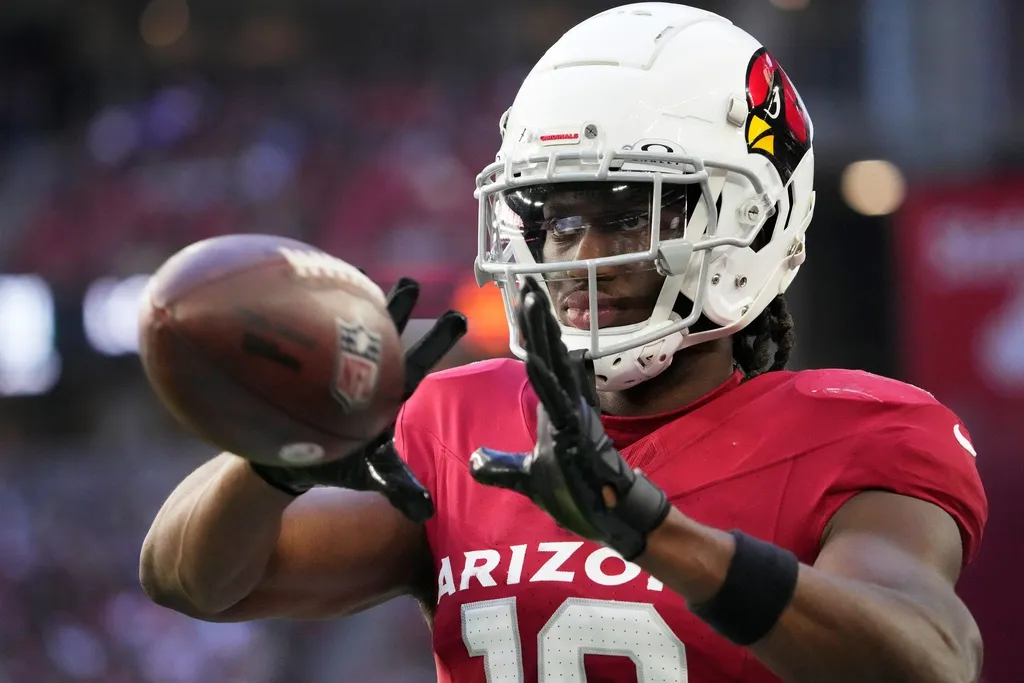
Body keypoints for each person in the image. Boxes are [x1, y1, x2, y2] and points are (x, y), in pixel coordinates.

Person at [139, 4, 988, 683]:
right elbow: (192, 581)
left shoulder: (863, 431)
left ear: (750, 221)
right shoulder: (459, 420)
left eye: (629, 213)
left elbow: (932, 659)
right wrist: (278, 458)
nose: (583, 257)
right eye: (560, 219)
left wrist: (657, 535)